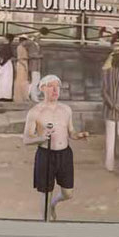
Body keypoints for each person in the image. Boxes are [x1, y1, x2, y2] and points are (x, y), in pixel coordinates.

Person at [23, 75, 89, 221]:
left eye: (57, 86)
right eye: (51, 86)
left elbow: (71, 131)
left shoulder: (66, 110)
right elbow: (26, 139)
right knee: (46, 194)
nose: (55, 90)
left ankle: (53, 204)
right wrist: (41, 138)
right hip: (46, 156)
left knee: (68, 193)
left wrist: (78, 135)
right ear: (42, 88)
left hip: (65, 155)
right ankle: (45, 224)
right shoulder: (35, 112)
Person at [0, 33, 15, 101]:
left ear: (7, 39)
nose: (3, 39)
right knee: (1, 79)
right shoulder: (6, 46)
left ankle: (5, 96)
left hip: (6, 64)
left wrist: (0, 64)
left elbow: (7, 57)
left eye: (4, 38)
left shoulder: (7, 47)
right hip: (5, 63)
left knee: (5, 80)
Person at [13, 35, 30, 102]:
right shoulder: (19, 47)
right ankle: (19, 96)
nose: (25, 42)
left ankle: (23, 95)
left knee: (23, 80)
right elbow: (19, 58)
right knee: (20, 80)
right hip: (22, 64)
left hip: (24, 63)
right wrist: (24, 66)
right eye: (25, 41)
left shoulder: (23, 47)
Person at [26, 33, 43, 102]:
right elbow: (30, 55)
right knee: (35, 81)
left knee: (35, 81)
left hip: (37, 65)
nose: (39, 39)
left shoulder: (37, 46)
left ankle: (29, 94)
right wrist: (39, 56)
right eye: (38, 38)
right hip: (33, 65)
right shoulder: (32, 45)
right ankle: (34, 97)